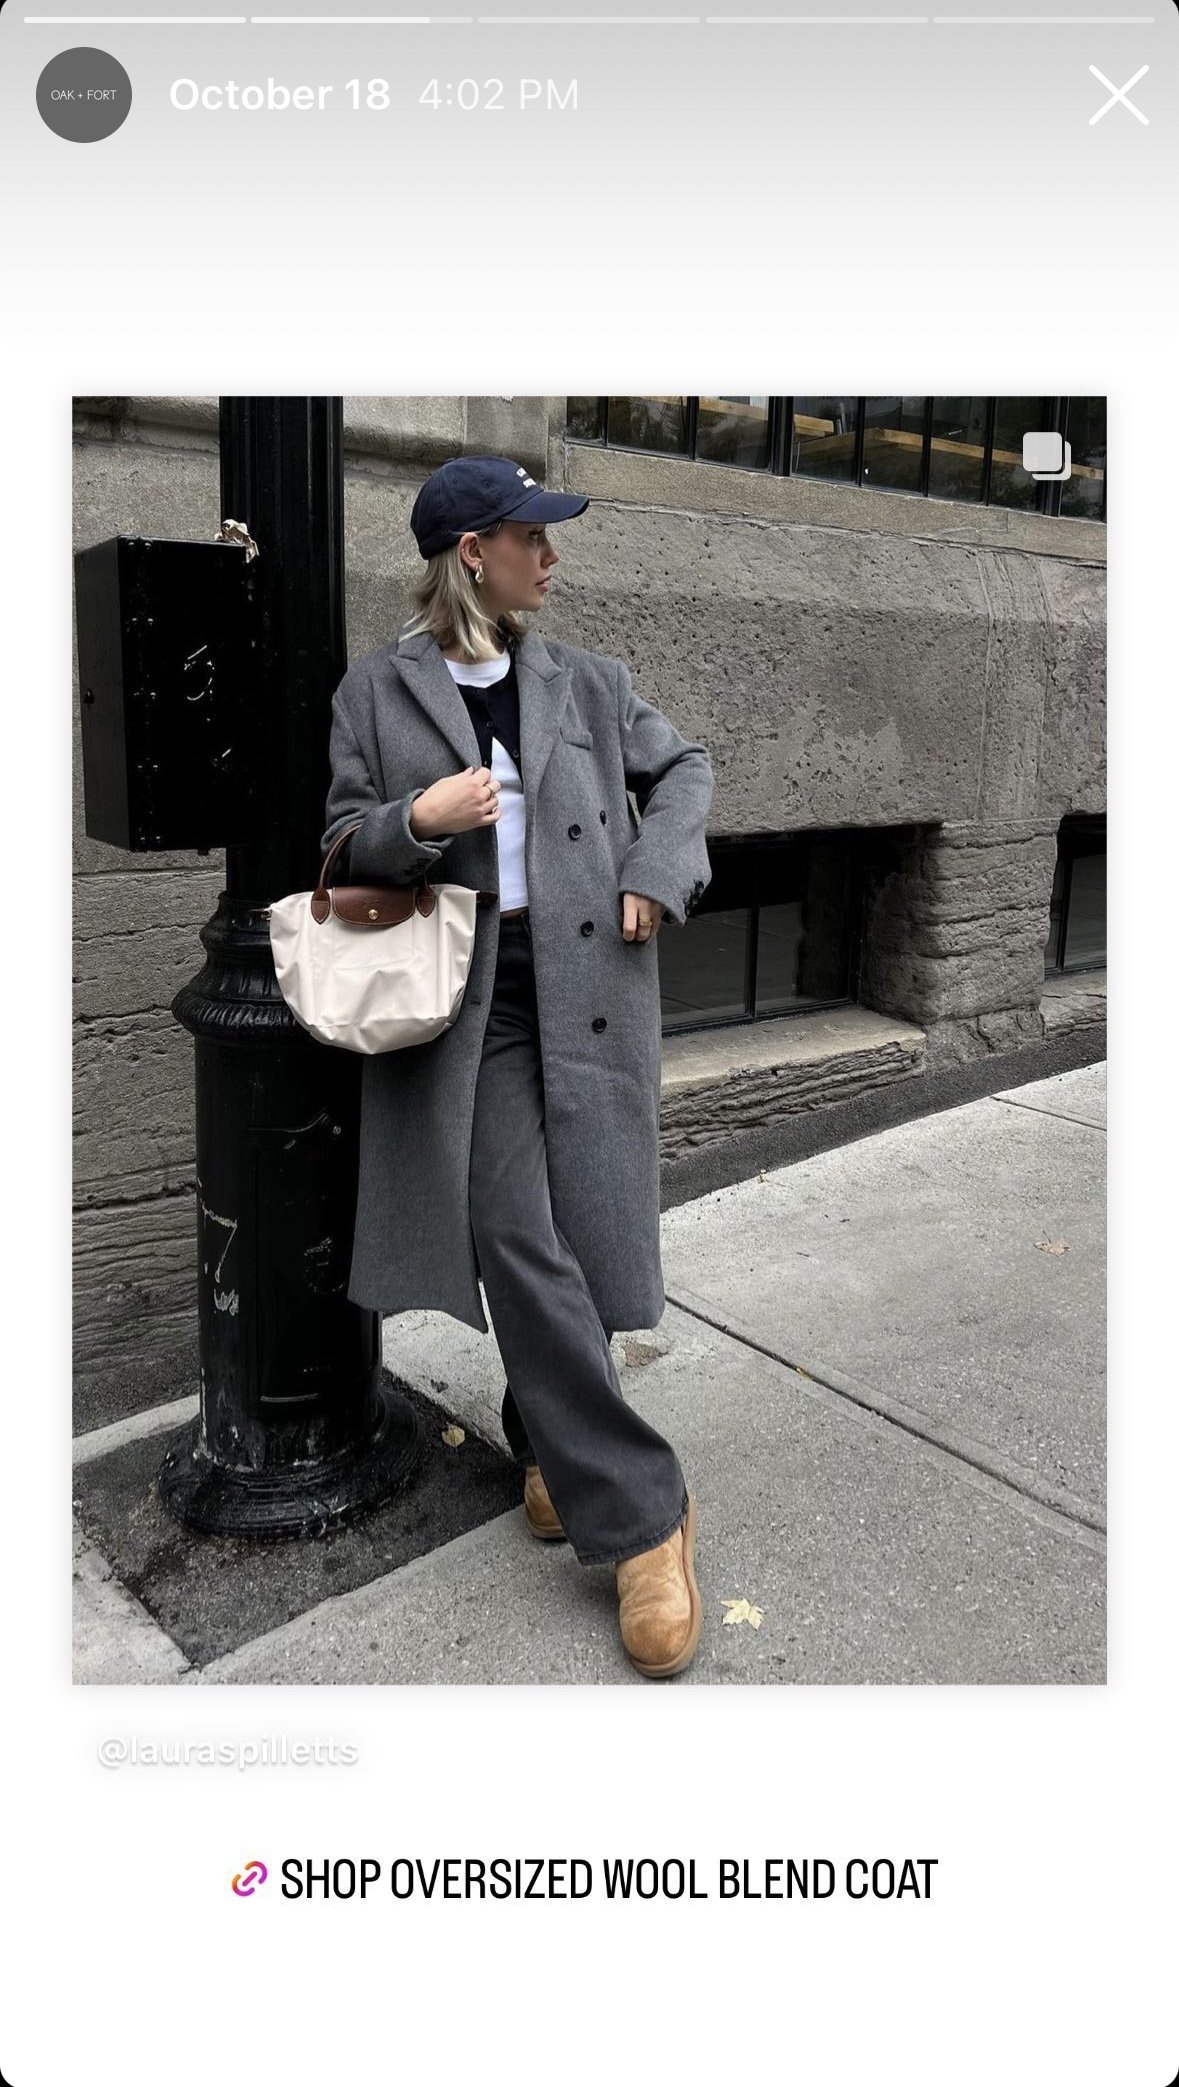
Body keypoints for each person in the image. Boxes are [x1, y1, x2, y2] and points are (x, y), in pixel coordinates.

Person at [321, 454, 714, 1678]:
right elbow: (340, 844)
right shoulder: (376, 692)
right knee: (509, 1226)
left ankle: (543, 1431)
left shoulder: (589, 681)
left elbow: (684, 770)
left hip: (588, 982)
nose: (552, 557)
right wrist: (418, 822)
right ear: (471, 555)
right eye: (530, 537)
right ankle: (647, 1511)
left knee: (585, 1231)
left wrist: (658, 868)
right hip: (469, 995)